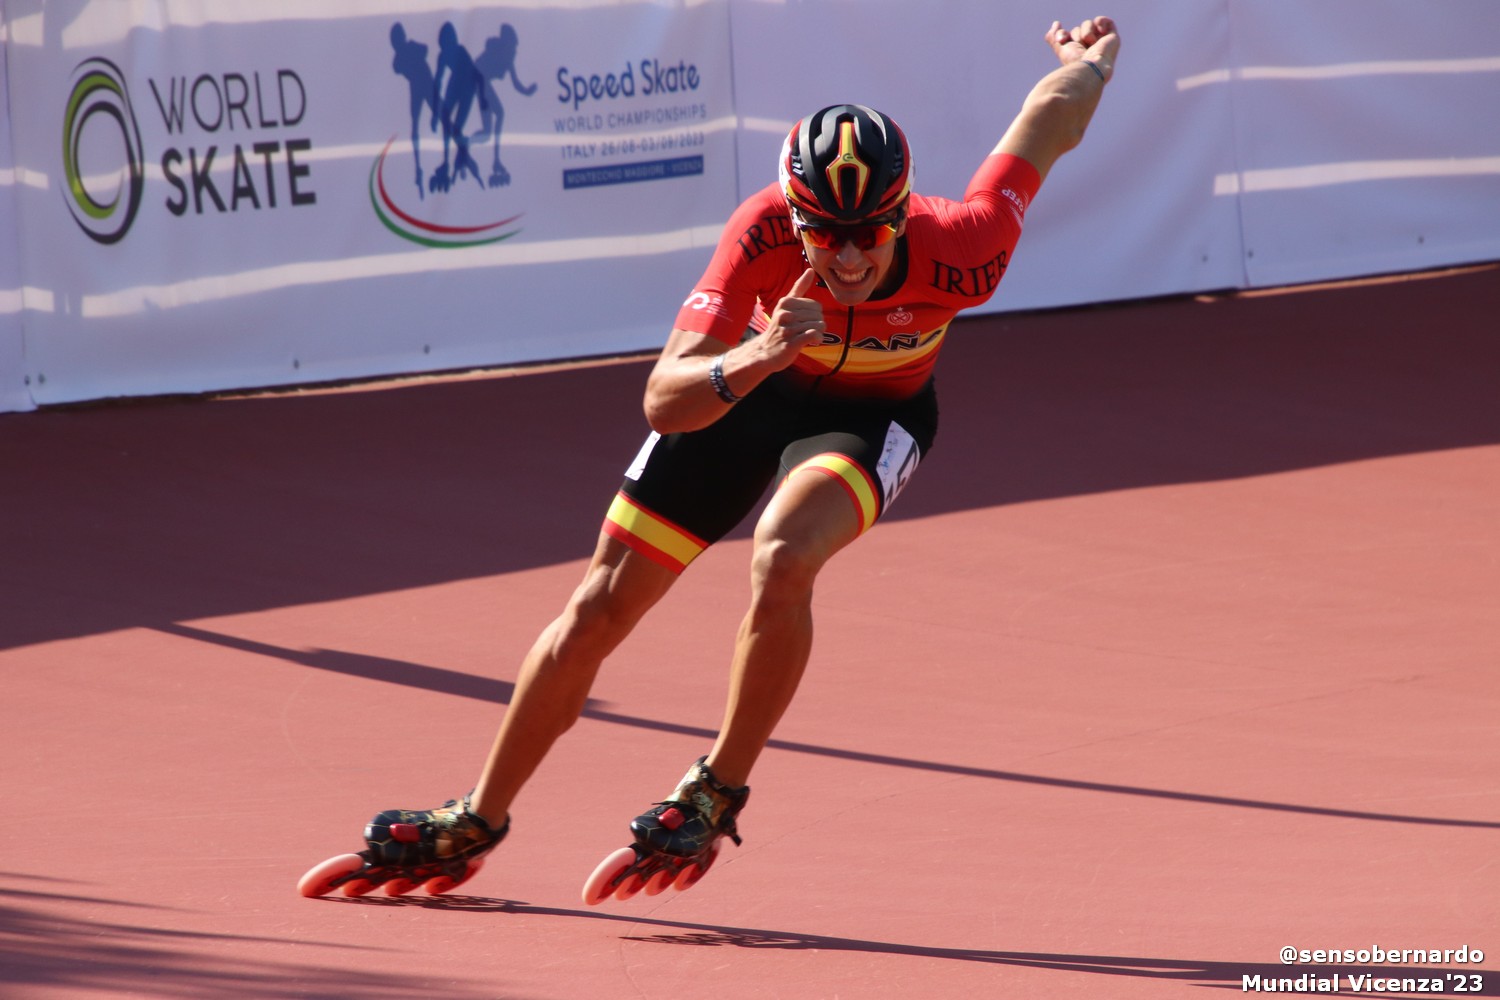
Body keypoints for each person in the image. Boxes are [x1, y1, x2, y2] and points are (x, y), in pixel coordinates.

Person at [300, 15, 1121, 900]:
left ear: (901, 215)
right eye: (824, 232)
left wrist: (1089, 66)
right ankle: (476, 820)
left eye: (869, 234)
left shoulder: (967, 244)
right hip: (751, 392)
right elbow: (665, 397)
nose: (846, 256)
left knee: (784, 551)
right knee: (596, 608)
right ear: (794, 216)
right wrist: (759, 356)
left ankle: (716, 788)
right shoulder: (761, 233)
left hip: (875, 419)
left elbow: (1046, 123)